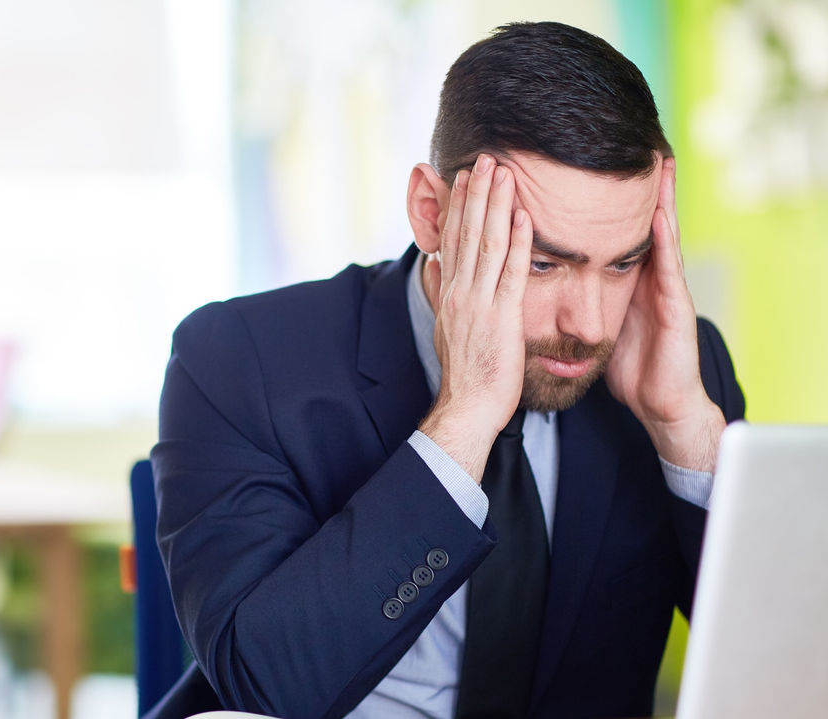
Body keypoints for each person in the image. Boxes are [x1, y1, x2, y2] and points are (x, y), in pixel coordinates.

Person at [150, 21, 743, 719]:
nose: (588, 323)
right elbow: (265, 684)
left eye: (622, 262)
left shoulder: (681, 368)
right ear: (432, 215)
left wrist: (687, 432)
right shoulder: (240, 357)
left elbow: (806, 668)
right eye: (544, 262)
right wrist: (463, 421)